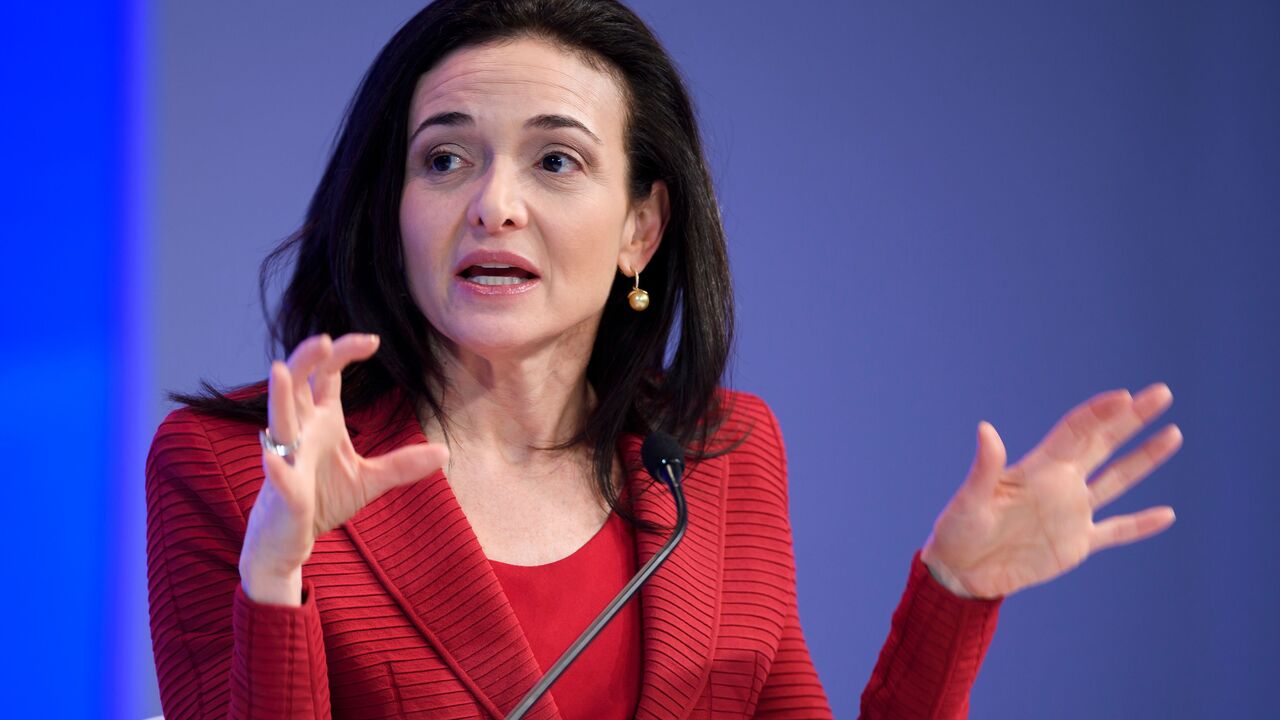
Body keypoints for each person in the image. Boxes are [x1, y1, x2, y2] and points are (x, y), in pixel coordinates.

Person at [145, 0, 1183, 718]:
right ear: (392, 207)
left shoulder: (722, 455)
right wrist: (275, 572)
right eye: (445, 157)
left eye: (555, 160)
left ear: (641, 228)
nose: (491, 203)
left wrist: (955, 592)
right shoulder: (233, 470)